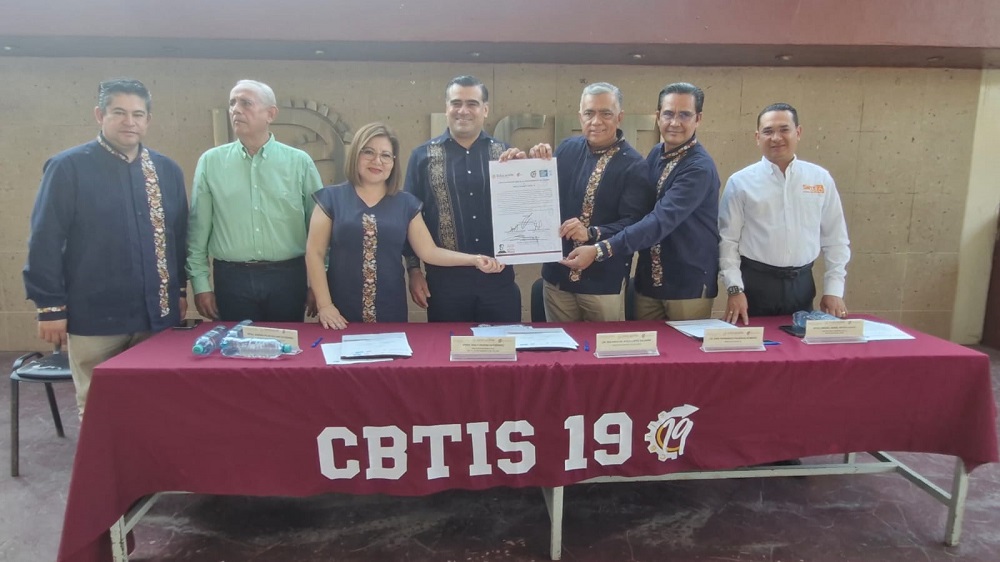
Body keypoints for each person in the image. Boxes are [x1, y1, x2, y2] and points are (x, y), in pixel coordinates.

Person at [23, 78, 188, 417]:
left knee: (156, 404)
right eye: (119, 112)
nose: (130, 122)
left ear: (148, 120)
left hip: (156, 314)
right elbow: (45, 238)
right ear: (100, 115)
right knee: (99, 406)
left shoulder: (166, 171)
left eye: (138, 114)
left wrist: (180, 289)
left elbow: (178, 236)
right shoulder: (68, 168)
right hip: (94, 316)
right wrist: (50, 307)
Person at [306, 123, 505, 329]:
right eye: (368, 152)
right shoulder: (331, 199)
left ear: (393, 162)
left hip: (389, 309)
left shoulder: (406, 204)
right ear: (356, 154)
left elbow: (429, 252)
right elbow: (314, 253)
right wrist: (325, 305)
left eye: (385, 155)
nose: (377, 161)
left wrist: (474, 259)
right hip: (339, 312)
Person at [561, 82, 720, 320]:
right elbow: (639, 212)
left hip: (687, 283)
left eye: (684, 115)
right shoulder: (657, 153)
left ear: (698, 119)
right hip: (648, 282)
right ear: (658, 117)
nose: (674, 122)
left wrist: (599, 249)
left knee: (684, 346)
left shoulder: (699, 168)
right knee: (643, 344)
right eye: (668, 114)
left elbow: (659, 221)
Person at [187, 79, 323, 322]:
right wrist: (200, 285)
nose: (236, 110)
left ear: (271, 113)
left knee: (288, 344)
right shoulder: (211, 162)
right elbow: (198, 230)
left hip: (287, 277)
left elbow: (320, 229)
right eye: (232, 103)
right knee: (235, 346)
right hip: (231, 279)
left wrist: (318, 282)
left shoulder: (299, 162)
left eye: (246, 103)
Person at [528, 82, 652, 322]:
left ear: (620, 117)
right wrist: (533, 164)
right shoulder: (566, 149)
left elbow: (635, 223)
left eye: (606, 113)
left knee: (602, 346)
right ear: (580, 116)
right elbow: (542, 199)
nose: (596, 121)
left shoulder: (634, 165)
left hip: (603, 282)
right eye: (589, 113)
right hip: (557, 278)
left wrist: (592, 232)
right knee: (560, 344)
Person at [719, 102, 851, 325]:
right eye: (768, 131)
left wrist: (834, 289)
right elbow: (727, 240)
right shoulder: (740, 182)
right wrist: (734, 289)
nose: (776, 138)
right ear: (757, 137)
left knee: (800, 344)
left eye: (784, 130)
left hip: (802, 284)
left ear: (798, 132)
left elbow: (836, 239)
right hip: (755, 285)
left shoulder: (820, 179)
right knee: (754, 344)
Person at [403, 75, 521, 323]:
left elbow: (523, 210)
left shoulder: (505, 156)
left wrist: (531, 168)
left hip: (498, 281)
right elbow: (409, 219)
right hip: (445, 284)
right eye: (456, 103)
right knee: (447, 346)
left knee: (503, 347)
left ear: (485, 110)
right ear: (446, 108)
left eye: (472, 104)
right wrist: (414, 270)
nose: (463, 110)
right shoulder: (422, 157)